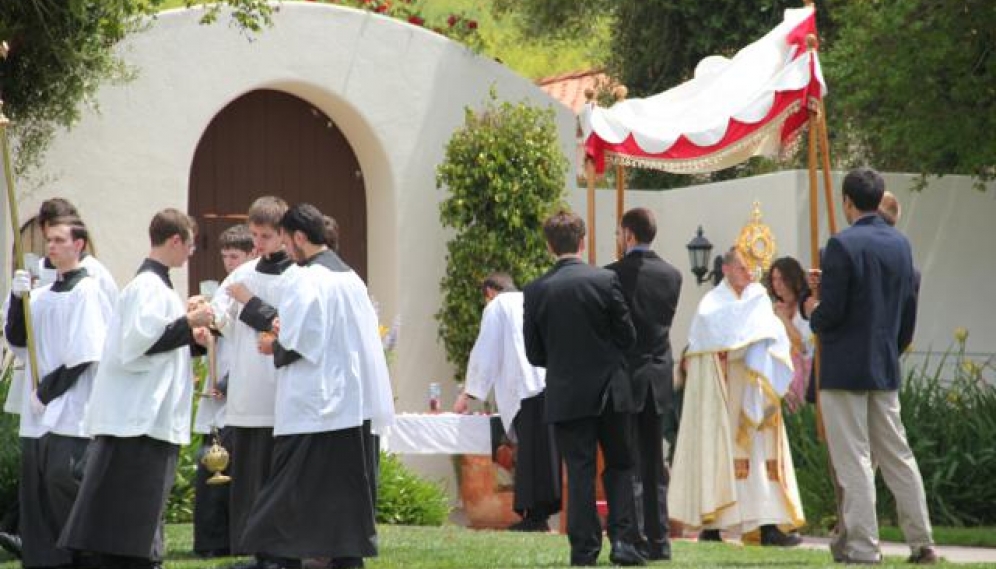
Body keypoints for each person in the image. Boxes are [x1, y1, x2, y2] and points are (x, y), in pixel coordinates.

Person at [59, 208, 214, 569]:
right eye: (190, 244)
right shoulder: (147, 287)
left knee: (138, 508)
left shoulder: (156, 286)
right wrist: (187, 322)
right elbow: (138, 344)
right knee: (133, 509)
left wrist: (193, 339)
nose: (191, 252)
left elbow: (157, 343)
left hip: (143, 417)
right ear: (175, 240)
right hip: (138, 419)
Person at [242, 204, 390, 569]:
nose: (287, 250)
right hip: (349, 402)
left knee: (287, 485)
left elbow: (301, 340)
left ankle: (275, 556)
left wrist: (272, 346)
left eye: (288, 240)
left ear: (300, 238)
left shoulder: (304, 278)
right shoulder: (352, 277)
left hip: (312, 401)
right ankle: (345, 557)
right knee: (341, 492)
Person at [805, 167, 935, 564]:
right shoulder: (901, 244)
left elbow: (833, 313)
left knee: (855, 461)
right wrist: (890, 350)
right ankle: (922, 541)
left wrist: (813, 306)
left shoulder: (841, 245)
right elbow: (906, 313)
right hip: (883, 365)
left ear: (847, 202)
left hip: (844, 368)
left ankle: (863, 547)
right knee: (898, 456)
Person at [0, 198, 120, 560]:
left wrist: (47, 393)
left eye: (58, 240)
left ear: (78, 244)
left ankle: (82, 554)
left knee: (62, 481)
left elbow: (85, 353)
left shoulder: (88, 290)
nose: (51, 246)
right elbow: (18, 338)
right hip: (40, 415)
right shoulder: (41, 295)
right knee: (36, 491)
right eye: (48, 240)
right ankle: (43, 558)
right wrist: (19, 301)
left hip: (70, 407)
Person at [523, 210, 644, 567]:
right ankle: (623, 542)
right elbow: (628, 336)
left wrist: (563, 364)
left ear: (549, 246)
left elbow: (534, 352)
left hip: (567, 391)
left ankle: (584, 549)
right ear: (583, 241)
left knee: (579, 471)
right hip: (611, 390)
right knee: (620, 465)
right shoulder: (605, 281)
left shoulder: (536, 290)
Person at [668, 247, 805, 546]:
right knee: (721, 457)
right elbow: (701, 349)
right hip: (723, 394)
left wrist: (761, 353)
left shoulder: (759, 300)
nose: (749, 274)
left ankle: (767, 526)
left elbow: (775, 337)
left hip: (756, 391)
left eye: (752, 269)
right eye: (743, 268)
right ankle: (714, 526)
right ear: (727, 269)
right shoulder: (711, 305)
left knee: (760, 460)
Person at [207, 198, 297, 569]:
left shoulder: (298, 277)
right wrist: (206, 314)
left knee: (279, 480)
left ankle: (283, 552)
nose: (258, 244)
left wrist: (249, 303)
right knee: (248, 480)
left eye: (266, 236)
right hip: (246, 392)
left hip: (283, 393)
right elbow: (220, 319)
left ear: (283, 235)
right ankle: (256, 552)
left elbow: (290, 327)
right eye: (255, 235)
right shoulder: (239, 275)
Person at [453, 272, 559, 532]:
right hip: (547, 383)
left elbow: (485, 351)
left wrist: (469, 393)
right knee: (544, 454)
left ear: (489, 291)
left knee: (530, 454)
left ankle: (534, 518)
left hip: (524, 387)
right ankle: (540, 514)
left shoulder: (496, 307)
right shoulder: (531, 299)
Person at [604, 207, 682, 561]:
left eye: (620, 234)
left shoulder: (612, 276)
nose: (618, 240)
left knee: (630, 461)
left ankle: (634, 536)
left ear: (629, 235)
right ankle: (659, 538)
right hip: (660, 374)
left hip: (628, 376)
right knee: (655, 463)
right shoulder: (673, 275)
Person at [191, 224, 255, 558]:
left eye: (235, 256)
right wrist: (204, 339)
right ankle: (210, 540)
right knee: (210, 465)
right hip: (218, 389)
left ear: (251, 254)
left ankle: (234, 539)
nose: (229, 263)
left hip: (241, 390)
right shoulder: (224, 289)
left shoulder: (252, 287)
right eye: (225, 256)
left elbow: (252, 345)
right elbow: (217, 333)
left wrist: (229, 383)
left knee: (233, 469)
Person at [763, 256, 813, 412]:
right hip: (780, 373)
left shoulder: (806, 307)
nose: (777, 285)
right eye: (774, 279)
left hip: (804, 375)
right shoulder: (773, 309)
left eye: (782, 279)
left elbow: (803, 345)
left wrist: (783, 318)